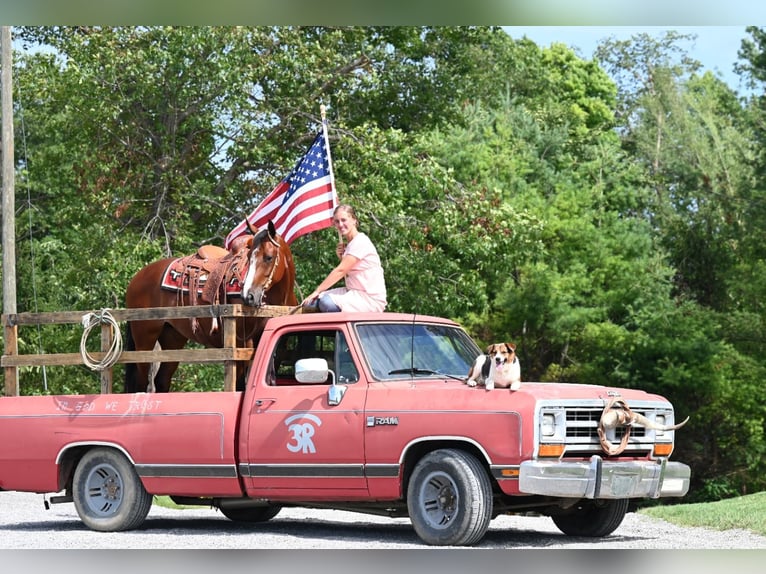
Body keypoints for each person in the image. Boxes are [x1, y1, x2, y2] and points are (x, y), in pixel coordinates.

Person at [302, 204, 387, 312]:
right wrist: (341, 257)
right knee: (312, 303)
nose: (340, 224)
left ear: (354, 220)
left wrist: (317, 291)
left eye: (344, 220)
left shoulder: (360, 242)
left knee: (326, 303)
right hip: (353, 292)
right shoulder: (350, 245)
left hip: (369, 299)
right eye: (337, 221)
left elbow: (340, 271)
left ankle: (337, 329)